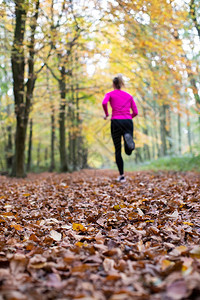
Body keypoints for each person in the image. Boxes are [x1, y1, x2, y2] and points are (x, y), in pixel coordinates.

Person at [102, 74, 138, 183]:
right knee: (128, 151)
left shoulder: (110, 94)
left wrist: (107, 114)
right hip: (128, 121)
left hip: (116, 122)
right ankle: (129, 145)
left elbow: (104, 102)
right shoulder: (129, 96)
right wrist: (127, 117)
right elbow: (135, 112)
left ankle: (122, 176)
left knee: (118, 150)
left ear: (113, 84)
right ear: (121, 84)